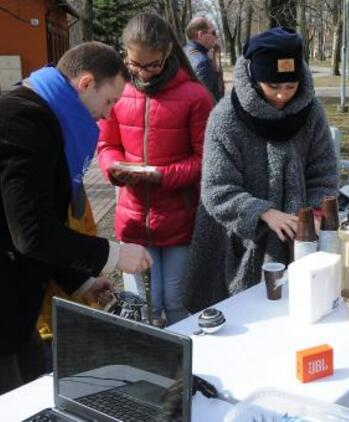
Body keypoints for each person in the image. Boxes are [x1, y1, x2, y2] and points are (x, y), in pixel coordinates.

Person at [0, 41, 152, 395]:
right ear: (85, 83)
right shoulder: (21, 121)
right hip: (5, 307)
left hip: (18, 307)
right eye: (109, 101)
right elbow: (33, 234)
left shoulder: (49, 118)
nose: (109, 114)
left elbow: (41, 221)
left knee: (38, 389)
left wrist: (81, 280)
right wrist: (114, 254)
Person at [183, 27, 338, 312]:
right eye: (273, 87)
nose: (282, 96)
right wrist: (262, 212)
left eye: (290, 87)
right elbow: (216, 189)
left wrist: (314, 214)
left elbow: (324, 173)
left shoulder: (311, 112)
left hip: (299, 241)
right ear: (255, 80)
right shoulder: (225, 117)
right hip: (236, 243)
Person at [98, 13, 213, 326]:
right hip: (133, 218)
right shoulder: (117, 90)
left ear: (168, 54)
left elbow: (205, 161)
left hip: (179, 218)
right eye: (135, 64)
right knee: (144, 308)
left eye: (153, 65)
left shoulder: (195, 96)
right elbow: (106, 145)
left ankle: (189, 366)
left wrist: (161, 175)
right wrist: (113, 168)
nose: (143, 73)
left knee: (175, 302)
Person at [184, 16, 224, 102]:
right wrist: (217, 56)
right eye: (213, 33)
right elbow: (216, 97)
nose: (216, 37)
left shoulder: (184, 51)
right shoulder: (202, 63)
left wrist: (215, 53)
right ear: (200, 35)